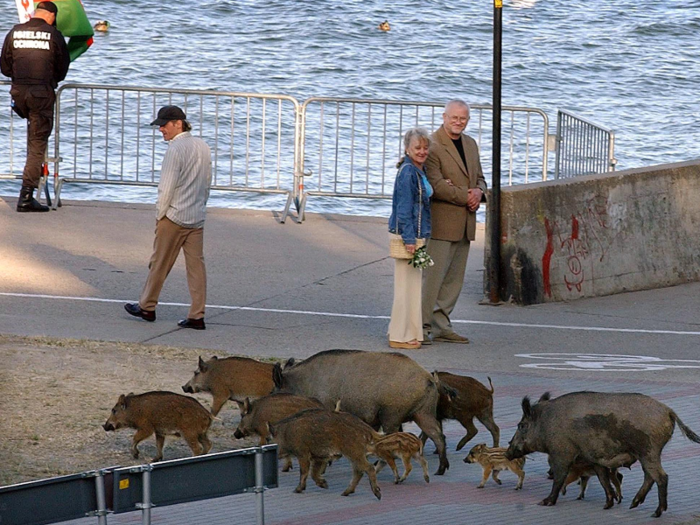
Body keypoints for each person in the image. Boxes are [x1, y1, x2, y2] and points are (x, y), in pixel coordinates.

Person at [125, 105, 212, 330]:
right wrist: (201, 207)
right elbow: (207, 183)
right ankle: (197, 314)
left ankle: (147, 306)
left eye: (164, 125)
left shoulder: (175, 150)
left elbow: (166, 188)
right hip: (196, 216)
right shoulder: (203, 146)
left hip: (174, 216)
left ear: (178, 123)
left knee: (159, 263)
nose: (161, 129)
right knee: (196, 267)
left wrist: (159, 215)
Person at [421, 100, 487, 345]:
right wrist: (466, 196)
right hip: (442, 222)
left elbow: (480, 178)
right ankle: (422, 326)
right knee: (432, 279)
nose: (459, 122)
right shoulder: (433, 145)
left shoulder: (470, 144)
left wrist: (479, 193)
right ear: (444, 117)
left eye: (464, 118)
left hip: (465, 222)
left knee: (453, 281)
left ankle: (441, 325)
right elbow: (436, 186)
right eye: (455, 118)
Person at [1, 1, 70, 212]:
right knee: (37, 145)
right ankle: (26, 196)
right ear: (51, 16)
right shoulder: (54, 35)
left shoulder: (15, 31)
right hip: (41, 94)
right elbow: (62, 68)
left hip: (19, 93)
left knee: (33, 141)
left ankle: (31, 185)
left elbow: (4, 65)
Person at [387, 127, 433, 349]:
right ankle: (399, 335)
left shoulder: (417, 170)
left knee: (413, 286)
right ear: (407, 148)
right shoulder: (408, 173)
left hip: (418, 233)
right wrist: (409, 239)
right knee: (406, 287)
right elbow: (404, 208)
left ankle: (409, 332)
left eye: (425, 147)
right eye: (417, 147)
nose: (422, 151)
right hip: (410, 235)